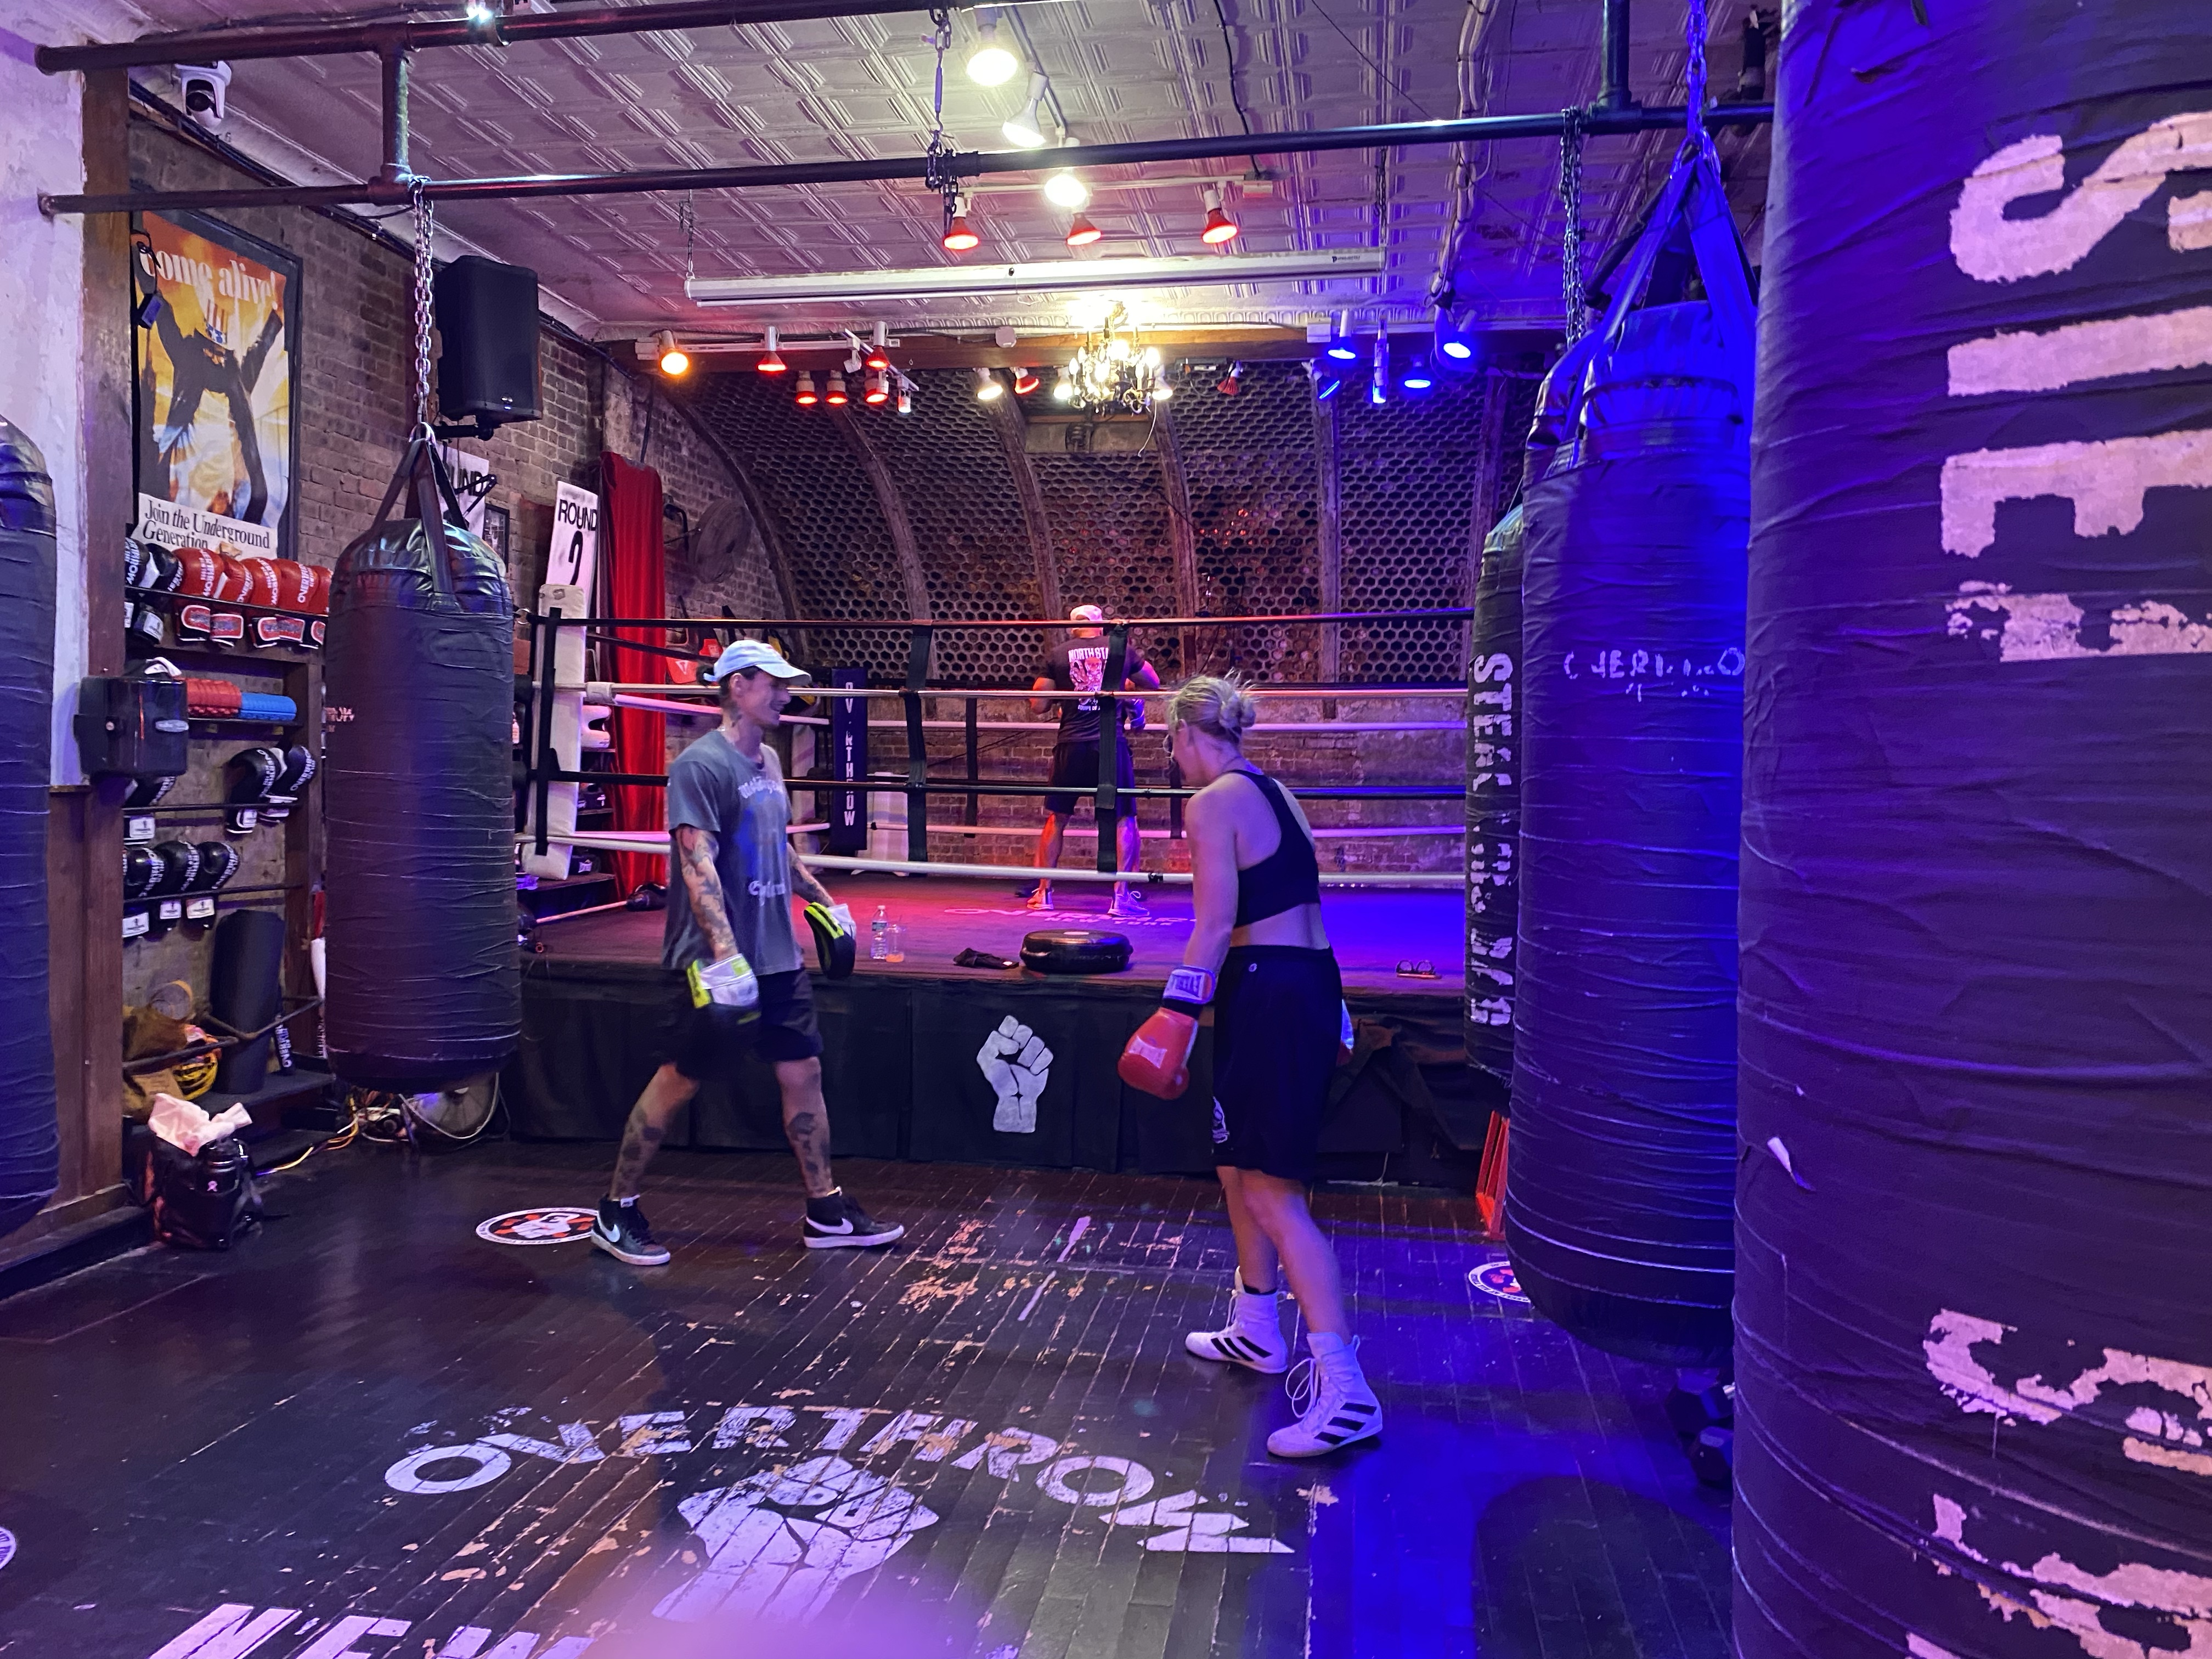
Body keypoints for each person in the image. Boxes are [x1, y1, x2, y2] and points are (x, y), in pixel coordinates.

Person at [1117, 675, 1379, 1458]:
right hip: (1296, 981)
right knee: (1237, 1167)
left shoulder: (1211, 802)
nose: (1172, 759)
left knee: (1272, 1190)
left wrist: (1174, 1014)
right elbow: (1304, 904)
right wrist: (1330, 1004)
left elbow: (1215, 924)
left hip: (1268, 989)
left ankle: (1348, 1391)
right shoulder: (1279, 795)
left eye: (1170, 744)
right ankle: (1258, 1327)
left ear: (1183, 734)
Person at [592, 639, 904, 1266]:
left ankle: (825, 1209)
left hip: (778, 956)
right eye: (775, 685)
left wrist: (827, 901)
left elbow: (777, 845)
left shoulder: (769, 761)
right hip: (713, 963)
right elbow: (697, 864)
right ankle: (615, 1210)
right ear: (738, 685)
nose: (786, 696)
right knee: (679, 1079)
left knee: (804, 1072)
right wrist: (727, 956)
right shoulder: (700, 766)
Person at [1030, 604, 1161, 918]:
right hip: (1109, 743)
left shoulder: (1057, 654)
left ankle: (1044, 892)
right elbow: (1153, 681)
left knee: (1057, 817)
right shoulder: (1119, 649)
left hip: (1071, 742)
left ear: (1072, 627)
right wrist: (1124, 682)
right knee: (1124, 818)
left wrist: (1064, 693)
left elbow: (1038, 705)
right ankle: (1121, 896)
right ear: (1101, 625)